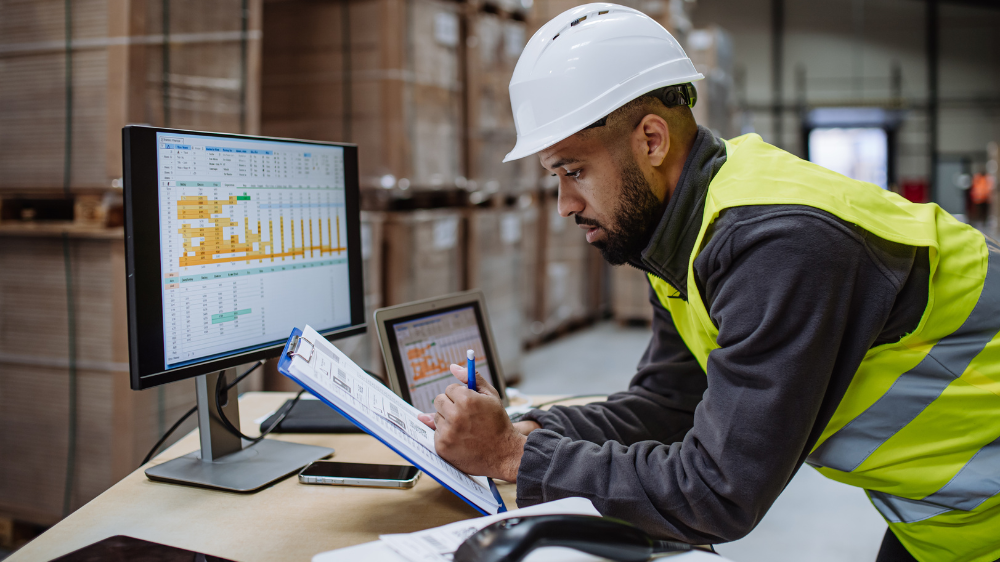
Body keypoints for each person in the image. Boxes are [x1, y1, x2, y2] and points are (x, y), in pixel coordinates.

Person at [417, 4, 1000, 561]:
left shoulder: (778, 243)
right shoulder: (684, 233)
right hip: (949, 519)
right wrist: (532, 429)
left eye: (574, 171)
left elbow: (718, 491)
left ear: (651, 140)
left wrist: (514, 455)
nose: (565, 205)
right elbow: (671, 403)